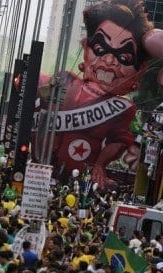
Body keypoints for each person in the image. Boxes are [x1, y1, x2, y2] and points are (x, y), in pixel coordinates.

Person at [32, 0, 162, 189]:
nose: (109, 60)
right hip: (38, 170)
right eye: (100, 49)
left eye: (124, 57)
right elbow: (35, 88)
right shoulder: (65, 81)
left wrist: (100, 165)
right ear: (86, 47)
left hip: (77, 180)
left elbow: (120, 141)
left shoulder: (122, 109)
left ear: (140, 69)